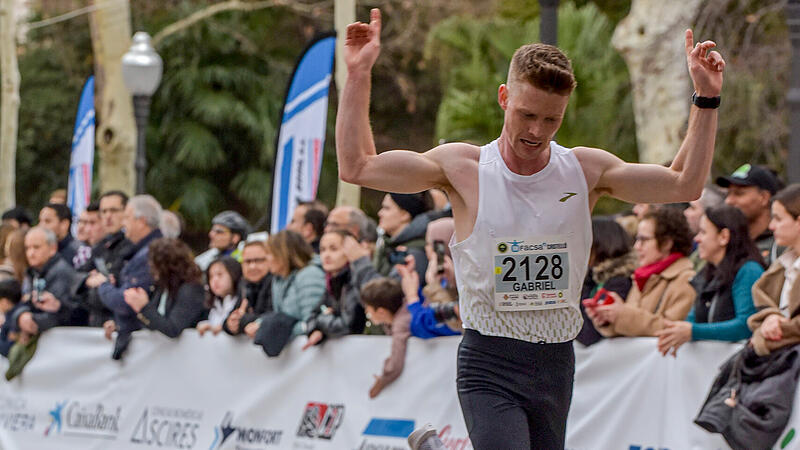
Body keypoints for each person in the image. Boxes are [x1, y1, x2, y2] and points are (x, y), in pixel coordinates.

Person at [336, 9, 724, 447]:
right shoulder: (463, 167)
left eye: (551, 120)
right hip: (489, 360)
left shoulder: (584, 170)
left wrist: (706, 98)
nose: (537, 131)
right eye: (527, 115)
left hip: (555, 364)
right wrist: (358, 74)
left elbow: (684, 183)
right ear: (504, 98)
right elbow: (358, 167)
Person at [656, 204, 764, 356]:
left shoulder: (749, 271)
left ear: (723, 237)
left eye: (703, 232)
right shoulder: (708, 272)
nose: (697, 239)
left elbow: (746, 325)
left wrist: (692, 331)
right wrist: (678, 331)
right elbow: (694, 318)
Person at [587, 207, 696, 337]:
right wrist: (607, 318)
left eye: (643, 240)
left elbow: (672, 330)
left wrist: (622, 315)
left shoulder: (685, 280)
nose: (636, 246)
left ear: (666, 243)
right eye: (637, 240)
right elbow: (629, 329)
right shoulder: (642, 277)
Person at [86, 195, 163, 359]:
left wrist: (103, 285)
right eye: (104, 211)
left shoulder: (148, 255)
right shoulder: (144, 250)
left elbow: (126, 302)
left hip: (150, 348)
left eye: (126, 217)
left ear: (141, 221)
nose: (123, 223)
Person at [242, 230, 325, 340]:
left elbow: (312, 322)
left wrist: (274, 330)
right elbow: (280, 316)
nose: (267, 258)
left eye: (269, 253)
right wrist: (260, 323)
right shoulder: (279, 279)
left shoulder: (309, 275)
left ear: (284, 254)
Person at [302, 229, 378, 349]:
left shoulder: (353, 280)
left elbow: (348, 325)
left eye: (334, 249)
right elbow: (310, 317)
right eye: (322, 250)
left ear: (349, 251)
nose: (326, 255)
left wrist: (321, 320)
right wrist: (316, 329)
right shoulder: (331, 282)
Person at [747, 184, 800, 355]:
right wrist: (771, 317)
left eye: (778, 218)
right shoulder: (782, 267)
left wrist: (766, 334)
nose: (771, 226)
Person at [122, 238, 206, 339]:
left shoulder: (191, 289)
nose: (151, 269)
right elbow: (153, 322)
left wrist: (144, 307)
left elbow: (173, 329)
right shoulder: (163, 286)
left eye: (154, 265)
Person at [576, 217, 636, 346]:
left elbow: (588, 334)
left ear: (600, 245)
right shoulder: (595, 278)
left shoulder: (620, 282)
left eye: (586, 244)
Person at [716, 164, 783, 265]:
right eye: (728, 194)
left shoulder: (780, 245)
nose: (728, 201)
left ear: (764, 197)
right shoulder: (727, 242)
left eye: (739, 193)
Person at [359, 275, 411, 398]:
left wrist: (382, 381)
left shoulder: (401, 324)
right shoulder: (399, 317)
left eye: (368, 309)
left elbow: (396, 359)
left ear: (381, 311)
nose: (366, 313)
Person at [373, 192, 433, 281]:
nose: (380, 213)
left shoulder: (414, 254)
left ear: (404, 215)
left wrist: (360, 259)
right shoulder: (390, 245)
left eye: (386, 208)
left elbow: (389, 288)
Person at [223, 240, 273, 336]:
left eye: (258, 260)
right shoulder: (244, 285)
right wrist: (229, 323)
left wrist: (242, 321)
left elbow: (272, 316)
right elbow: (234, 314)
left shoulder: (275, 283)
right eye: (247, 261)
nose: (252, 266)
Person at [197, 257, 242, 336]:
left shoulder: (243, 300)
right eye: (211, 277)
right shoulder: (214, 303)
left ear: (234, 274)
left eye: (220, 275)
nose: (215, 280)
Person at [38, 203, 81, 267]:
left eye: (47, 221)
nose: (41, 226)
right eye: (40, 221)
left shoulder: (79, 252)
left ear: (64, 224)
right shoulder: (41, 250)